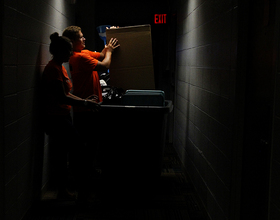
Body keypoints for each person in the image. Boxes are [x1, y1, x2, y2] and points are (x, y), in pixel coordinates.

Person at [42, 32, 100, 199]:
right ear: (60, 51)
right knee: (75, 150)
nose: (70, 54)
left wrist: (84, 100)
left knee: (64, 153)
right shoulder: (53, 69)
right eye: (68, 51)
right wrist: (84, 103)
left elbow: (67, 93)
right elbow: (62, 97)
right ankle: (70, 188)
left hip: (63, 116)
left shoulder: (60, 67)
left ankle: (64, 189)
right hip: (56, 118)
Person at [62, 26, 120, 168]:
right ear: (72, 41)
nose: (84, 38)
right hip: (86, 108)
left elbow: (101, 55)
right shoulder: (80, 57)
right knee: (90, 142)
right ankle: (85, 173)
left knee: (88, 141)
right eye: (81, 37)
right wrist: (110, 52)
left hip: (85, 106)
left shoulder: (82, 53)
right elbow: (104, 64)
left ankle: (86, 171)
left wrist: (110, 41)